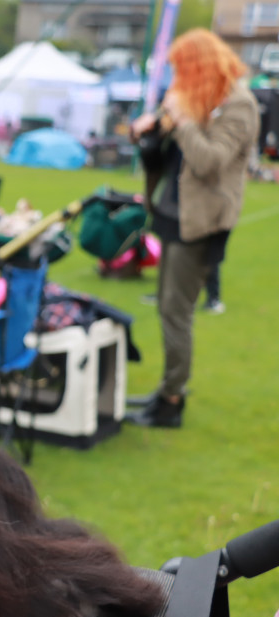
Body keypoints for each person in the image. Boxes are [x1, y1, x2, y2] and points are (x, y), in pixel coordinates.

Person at [126, 29, 259, 428]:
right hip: (173, 215)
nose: (179, 77)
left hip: (200, 223)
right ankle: (166, 390)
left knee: (176, 312)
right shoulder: (202, 99)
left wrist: (182, 121)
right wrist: (151, 128)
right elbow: (165, 152)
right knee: (168, 307)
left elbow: (210, 160)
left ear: (202, 66)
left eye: (184, 68)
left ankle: (171, 401)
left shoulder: (240, 104)